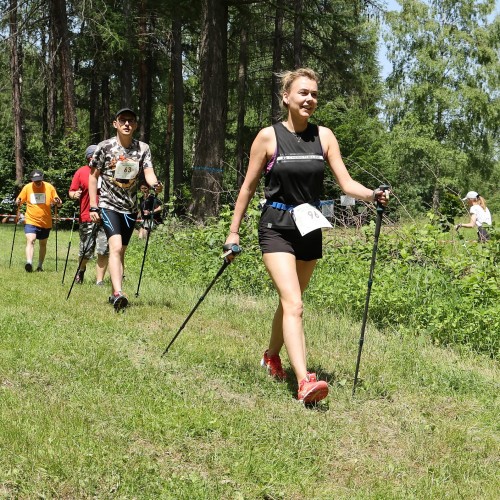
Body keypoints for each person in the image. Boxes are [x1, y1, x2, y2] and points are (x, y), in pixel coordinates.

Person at [224, 68, 389, 404]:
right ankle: (304, 382)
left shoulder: (324, 136)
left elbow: (346, 184)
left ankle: (271, 356)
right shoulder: (268, 137)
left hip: (310, 226)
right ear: (286, 97)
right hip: (276, 227)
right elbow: (248, 187)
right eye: (303, 93)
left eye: (314, 94)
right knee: (295, 304)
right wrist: (233, 232)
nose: (309, 99)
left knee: (290, 302)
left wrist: (372, 195)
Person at [88, 108, 162, 311]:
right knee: (116, 247)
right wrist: (93, 205)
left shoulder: (143, 148)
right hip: (108, 205)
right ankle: (118, 293)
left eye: (131, 121)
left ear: (136, 125)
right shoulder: (104, 147)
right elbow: (93, 177)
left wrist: (155, 185)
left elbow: (149, 173)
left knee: (122, 252)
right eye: (122, 120)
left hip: (130, 208)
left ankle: (115, 292)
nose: (127, 124)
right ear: (115, 124)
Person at [68, 145, 109, 285]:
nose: (95, 158)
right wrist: (75, 195)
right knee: (86, 250)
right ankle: (81, 270)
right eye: (93, 156)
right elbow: (71, 191)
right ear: (88, 157)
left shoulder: (108, 171)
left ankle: (99, 281)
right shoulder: (81, 172)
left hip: (107, 215)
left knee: (104, 249)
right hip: (87, 216)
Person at [16, 169, 62, 272]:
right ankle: (29, 263)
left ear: (42, 179)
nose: (37, 183)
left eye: (39, 181)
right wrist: (18, 201)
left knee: (43, 244)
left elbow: (58, 203)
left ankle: (40, 266)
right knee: (30, 240)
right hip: (31, 220)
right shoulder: (27, 187)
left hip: (45, 221)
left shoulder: (49, 187)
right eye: (35, 181)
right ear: (32, 180)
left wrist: (57, 202)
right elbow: (19, 200)